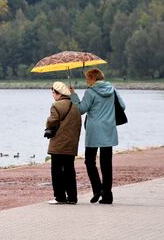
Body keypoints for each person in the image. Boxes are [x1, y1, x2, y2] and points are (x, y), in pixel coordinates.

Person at [69, 68, 125, 204]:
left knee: (89, 161)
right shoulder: (112, 89)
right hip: (109, 130)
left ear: (93, 79)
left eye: (88, 78)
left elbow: (81, 109)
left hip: (94, 131)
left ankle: (97, 189)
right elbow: (122, 106)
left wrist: (73, 95)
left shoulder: (90, 92)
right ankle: (107, 195)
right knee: (106, 164)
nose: (87, 81)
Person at [46, 81, 81, 205]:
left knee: (56, 172)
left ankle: (60, 197)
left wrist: (47, 125)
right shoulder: (76, 105)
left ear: (58, 93)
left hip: (59, 144)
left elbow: (52, 121)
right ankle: (72, 197)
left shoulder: (56, 105)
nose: (52, 95)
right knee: (69, 171)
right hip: (72, 143)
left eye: (53, 93)